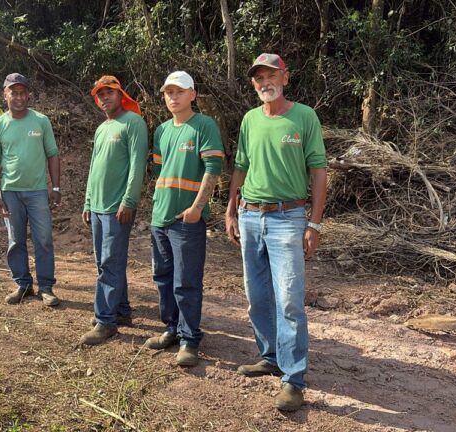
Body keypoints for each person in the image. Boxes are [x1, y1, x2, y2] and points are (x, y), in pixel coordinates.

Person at [224, 53, 327, 411]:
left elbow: (318, 171)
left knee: (289, 299)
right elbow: (240, 165)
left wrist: (314, 222)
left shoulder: (304, 117)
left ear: (285, 77)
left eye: (271, 76)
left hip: (289, 217)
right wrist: (231, 206)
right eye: (258, 78)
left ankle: (293, 379)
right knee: (257, 296)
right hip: (250, 215)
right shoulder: (250, 119)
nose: (264, 83)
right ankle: (269, 355)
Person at [145, 71, 224, 367]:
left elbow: (212, 170)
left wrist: (195, 208)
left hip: (186, 220)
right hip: (160, 217)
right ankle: (171, 329)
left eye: (179, 91)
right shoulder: (162, 130)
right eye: (168, 92)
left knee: (186, 281)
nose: (173, 97)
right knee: (163, 278)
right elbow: (158, 170)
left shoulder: (204, 126)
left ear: (193, 94)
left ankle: (190, 339)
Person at [78, 76, 148, 345]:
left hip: (116, 207)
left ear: (121, 95)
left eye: (109, 93)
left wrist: (129, 201)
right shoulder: (102, 128)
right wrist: (87, 202)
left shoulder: (134, 123)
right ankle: (121, 310)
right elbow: (94, 167)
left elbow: (137, 165)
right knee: (106, 262)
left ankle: (105, 321)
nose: (105, 98)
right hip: (97, 207)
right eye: (100, 94)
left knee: (110, 263)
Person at [0, 72, 62, 307]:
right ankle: (23, 284)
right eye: (13, 92)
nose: (18, 97)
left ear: (28, 94)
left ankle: (46, 287)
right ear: (5, 94)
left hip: (38, 191)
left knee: (44, 239)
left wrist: (56, 186)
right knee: (15, 240)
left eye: (22, 92)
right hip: (10, 193)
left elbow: (53, 154)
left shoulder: (41, 121)